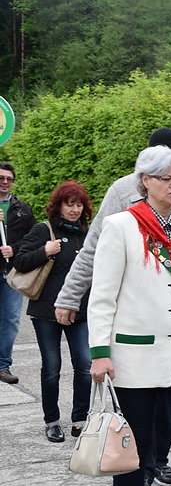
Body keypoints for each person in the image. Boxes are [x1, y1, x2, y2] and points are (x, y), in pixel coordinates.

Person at [54, 127, 171, 486]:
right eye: (166, 178)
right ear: (145, 180)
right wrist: (99, 354)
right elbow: (103, 295)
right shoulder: (121, 226)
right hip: (133, 354)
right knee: (135, 446)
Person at [14, 181, 93, 443]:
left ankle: (80, 420)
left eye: (79, 204)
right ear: (58, 205)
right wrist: (44, 251)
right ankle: (52, 421)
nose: (75, 210)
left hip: (80, 312)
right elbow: (20, 262)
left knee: (84, 365)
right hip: (46, 311)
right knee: (52, 367)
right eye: (70, 204)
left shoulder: (88, 234)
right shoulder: (43, 230)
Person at [0, 161, 36, 384]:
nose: (4, 183)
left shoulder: (22, 209)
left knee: (11, 320)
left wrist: (13, 248)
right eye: (0, 178)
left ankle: (3, 365)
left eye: (9, 179)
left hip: (11, 273)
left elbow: (33, 238)